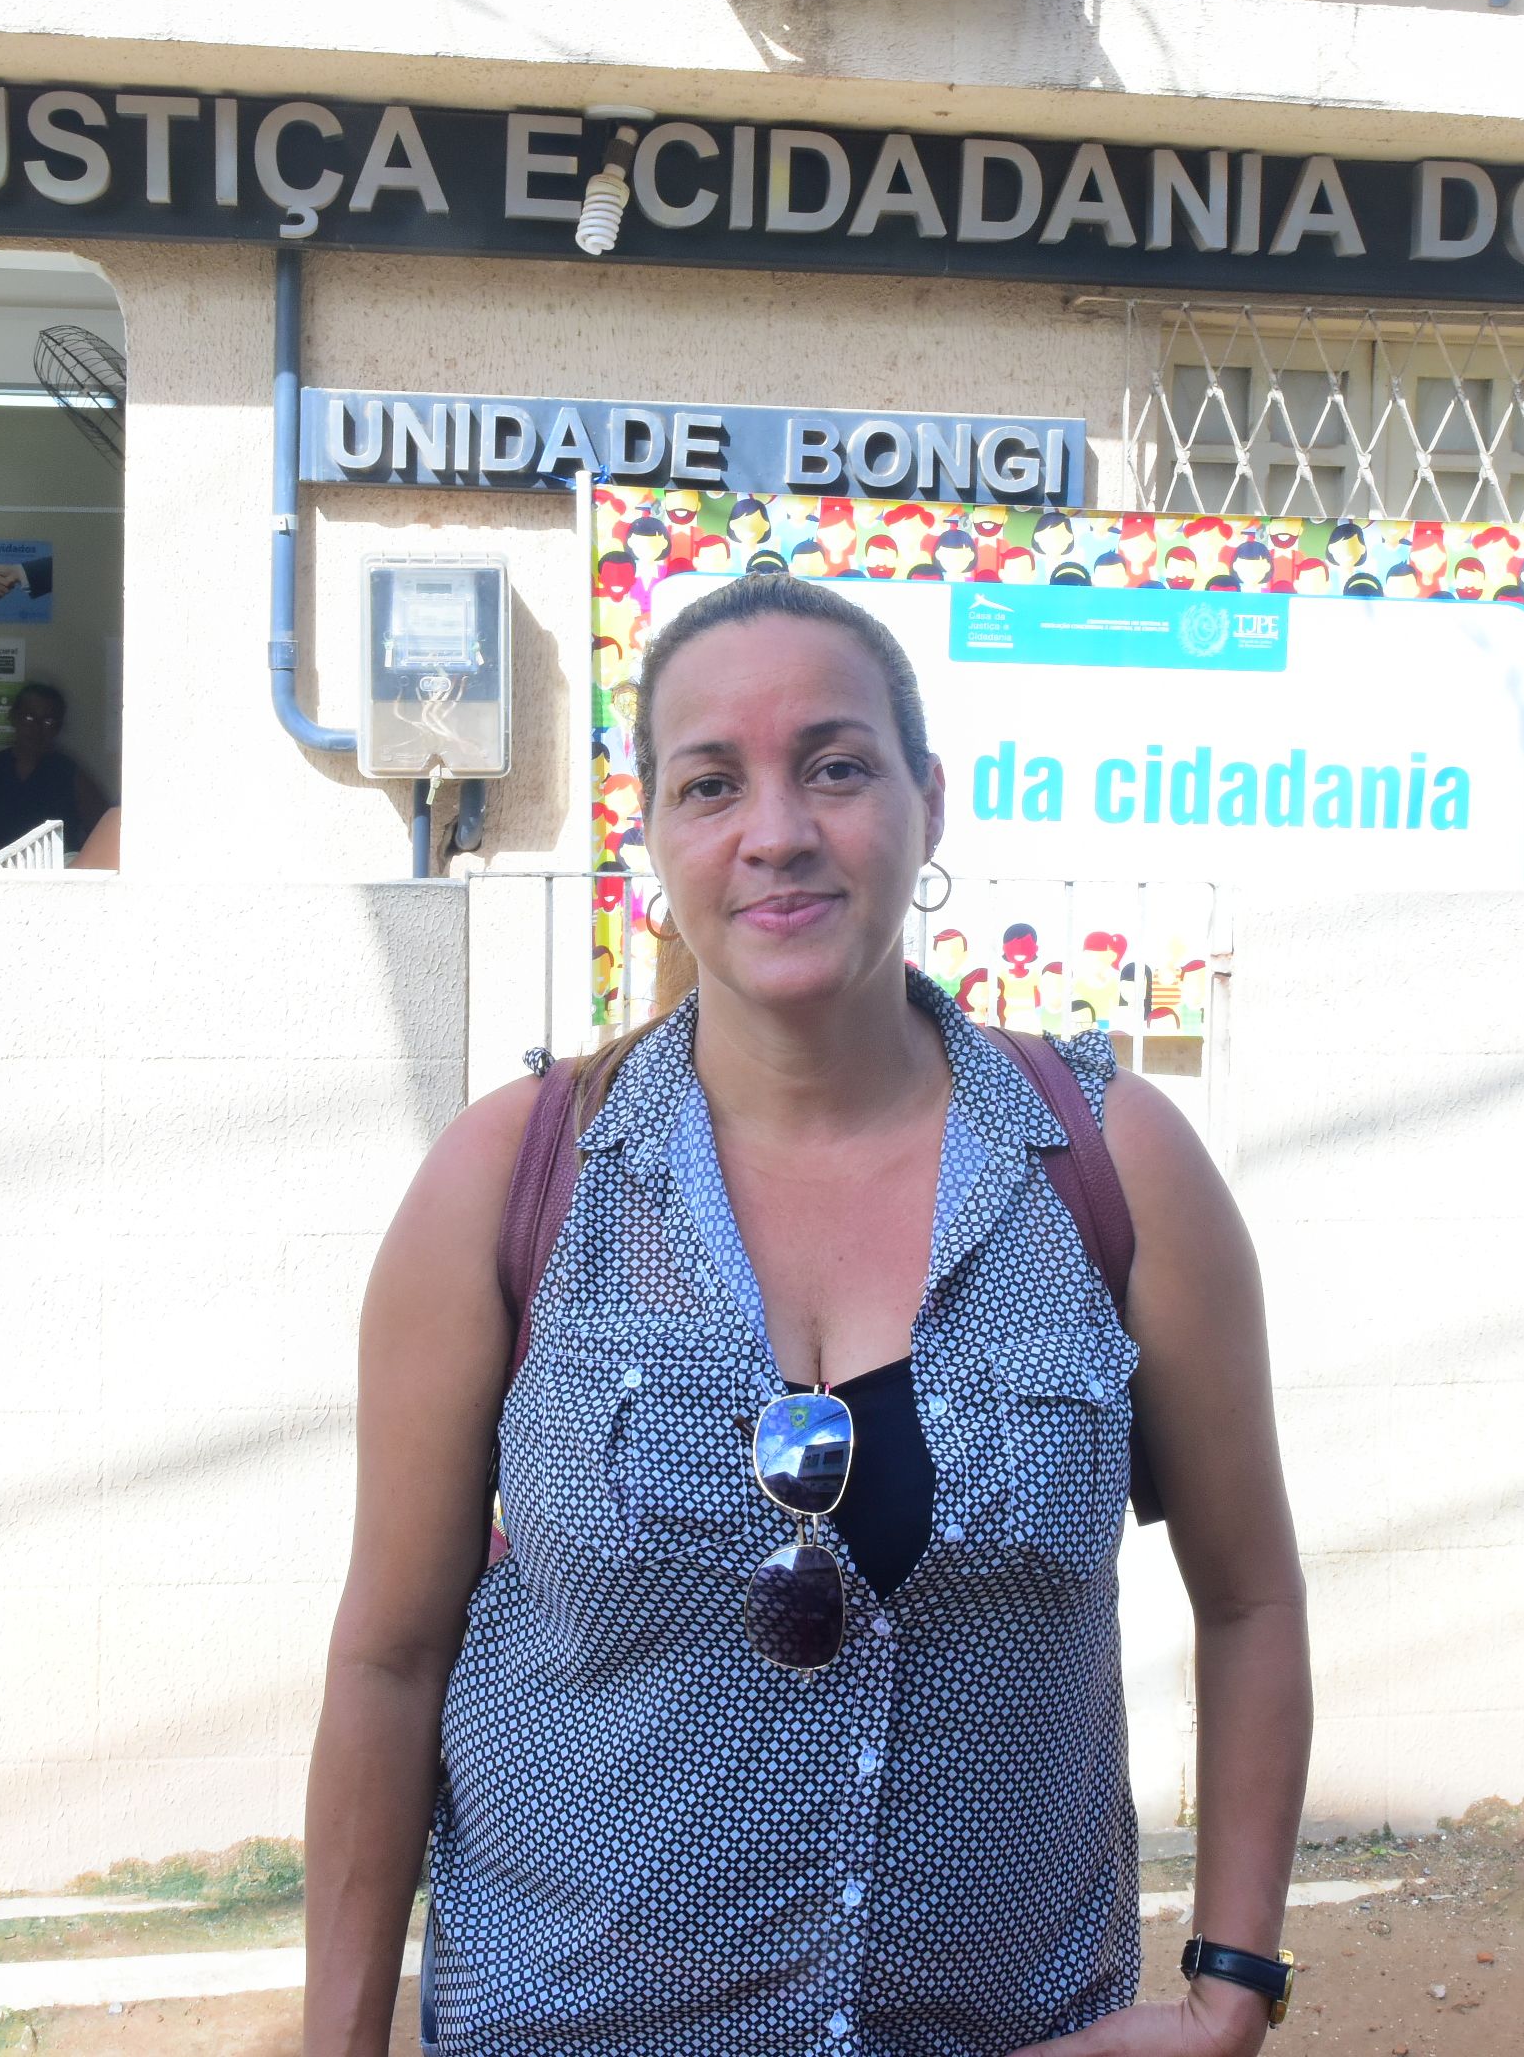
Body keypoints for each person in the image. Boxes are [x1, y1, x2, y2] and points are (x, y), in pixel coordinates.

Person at [303, 574, 1312, 2057]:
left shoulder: (1111, 1165)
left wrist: (1234, 1986)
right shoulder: (512, 1182)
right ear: (655, 835)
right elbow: (388, 1661)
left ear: (928, 803)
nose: (777, 829)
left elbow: (1251, 1598)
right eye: (712, 783)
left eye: (836, 766)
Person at [0, 682, 111, 885]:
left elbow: (106, 833)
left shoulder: (70, 774)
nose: (37, 729)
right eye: (29, 718)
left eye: (48, 721)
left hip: (47, 892)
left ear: (59, 726)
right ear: (13, 718)